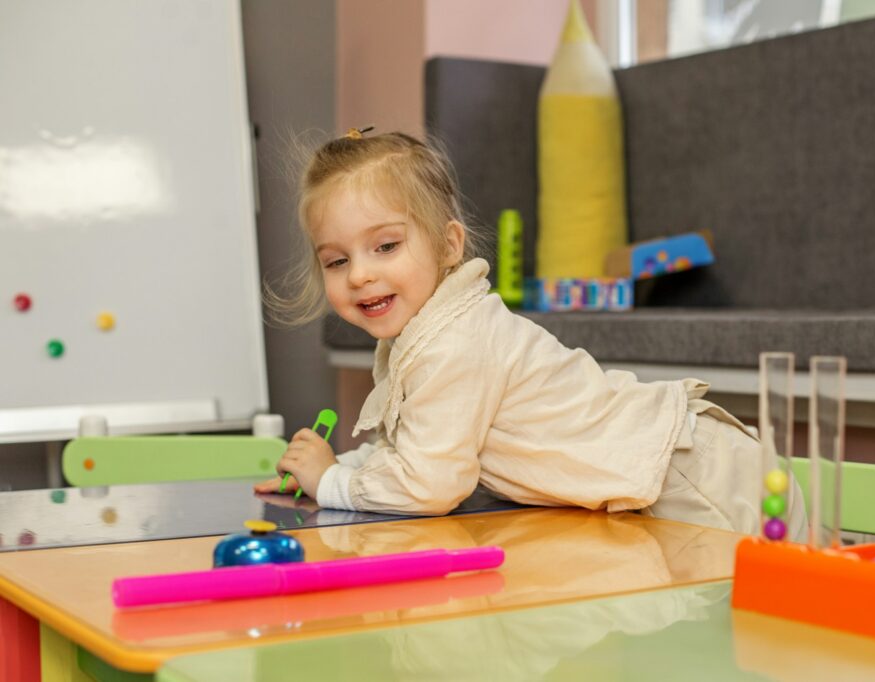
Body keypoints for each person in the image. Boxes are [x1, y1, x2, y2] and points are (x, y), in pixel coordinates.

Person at [255, 128, 806, 539]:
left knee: (769, 637)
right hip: (666, 474)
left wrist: (330, 482)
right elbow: (427, 441)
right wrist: (342, 466)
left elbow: (431, 483)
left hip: (691, 478)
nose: (359, 274)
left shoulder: (454, 341)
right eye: (335, 260)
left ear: (449, 245)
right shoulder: (426, 331)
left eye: (385, 246)